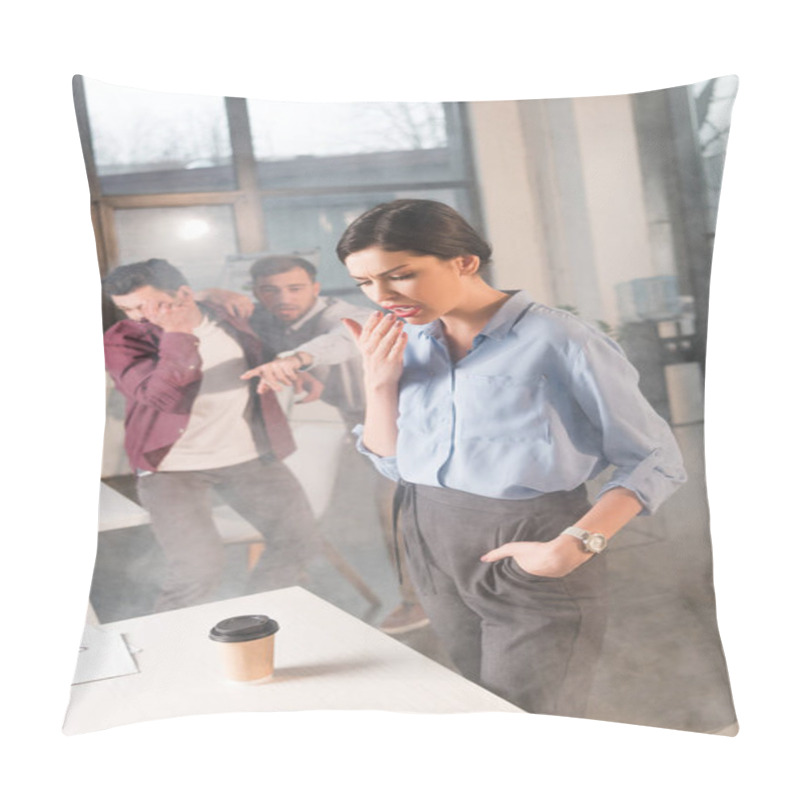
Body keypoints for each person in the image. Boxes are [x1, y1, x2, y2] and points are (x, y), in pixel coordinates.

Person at [337, 199, 687, 716]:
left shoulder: (560, 339)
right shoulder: (403, 339)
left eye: (401, 275)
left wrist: (572, 547)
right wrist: (379, 382)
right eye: (365, 283)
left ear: (464, 261)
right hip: (427, 536)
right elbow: (392, 463)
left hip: (528, 538)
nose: (382, 297)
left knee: (530, 718)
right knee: (479, 705)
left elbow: (655, 458)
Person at [206, 256, 430, 634]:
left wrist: (297, 361)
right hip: (351, 424)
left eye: (295, 288)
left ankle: (417, 602)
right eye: (271, 290)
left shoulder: (344, 315)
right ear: (257, 294)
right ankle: (295, 575)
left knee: (398, 511)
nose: (283, 298)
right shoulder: (265, 318)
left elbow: (340, 342)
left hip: (405, 421)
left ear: (315, 288)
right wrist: (209, 292)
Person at [102, 258, 319, 613]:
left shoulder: (223, 312)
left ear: (184, 294)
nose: (137, 316)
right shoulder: (123, 338)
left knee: (299, 541)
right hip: (172, 467)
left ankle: (254, 623)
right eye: (127, 308)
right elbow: (161, 397)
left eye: (145, 305)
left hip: (248, 456)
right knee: (198, 571)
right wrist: (177, 334)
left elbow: (256, 351)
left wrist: (292, 369)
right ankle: (166, 653)